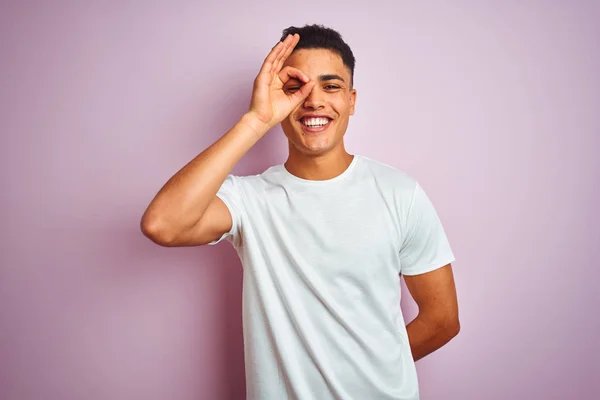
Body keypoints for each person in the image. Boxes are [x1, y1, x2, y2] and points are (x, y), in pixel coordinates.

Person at [141, 24, 459, 400]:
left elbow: (441, 320)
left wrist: (371, 370)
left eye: (331, 86)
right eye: (296, 88)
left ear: (352, 100)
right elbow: (163, 224)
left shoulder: (400, 193)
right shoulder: (249, 199)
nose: (313, 101)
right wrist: (256, 121)